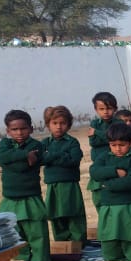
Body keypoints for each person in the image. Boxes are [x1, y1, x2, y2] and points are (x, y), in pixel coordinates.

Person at [0, 109, 50, 261]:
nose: (19, 132)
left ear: (31, 129)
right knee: (14, 232)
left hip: (30, 197)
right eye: (14, 129)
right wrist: (23, 155)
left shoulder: (36, 146)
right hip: (10, 198)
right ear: (8, 131)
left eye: (23, 128)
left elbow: (20, 167)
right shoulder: (4, 145)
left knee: (36, 232)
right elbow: (1, 158)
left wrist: (14, 160)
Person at [89, 120, 131, 261]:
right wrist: (116, 172)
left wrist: (107, 185)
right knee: (109, 236)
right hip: (109, 205)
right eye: (113, 145)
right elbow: (95, 172)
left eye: (122, 145)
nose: (118, 149)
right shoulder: (103, 157)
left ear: (130, 142)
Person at [41, 105, 86, 245]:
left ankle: (78, 243)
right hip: (53, 185)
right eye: (55, 123)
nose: (59, 127)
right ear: (48, 125)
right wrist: (61, 157)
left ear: (68, 125)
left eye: (62, 123)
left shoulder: (72, 142)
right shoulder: (45, 143)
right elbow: (41, 159)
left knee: (74, 213)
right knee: (55, 215)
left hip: (70, 184)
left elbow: (73, 160)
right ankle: (62, 243)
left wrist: (52, 156)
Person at [88, 91, 118, 210]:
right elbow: (93, 142)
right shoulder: (95, 123)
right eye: (101, 109)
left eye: (109, 108)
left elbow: (117, 138)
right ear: (96, 110)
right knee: (99, 198)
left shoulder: (118, 123)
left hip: (115, 162)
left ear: (115, 109)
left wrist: (97, 133)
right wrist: (108, 137)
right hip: (99, 163)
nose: (105, 112)